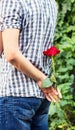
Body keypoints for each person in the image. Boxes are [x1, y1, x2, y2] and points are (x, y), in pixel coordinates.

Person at [0, 0, 62, 130]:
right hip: (41, 97)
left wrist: (41, 79)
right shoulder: (51, 3)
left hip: (15, 94)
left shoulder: (12, 1)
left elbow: (11, 54)